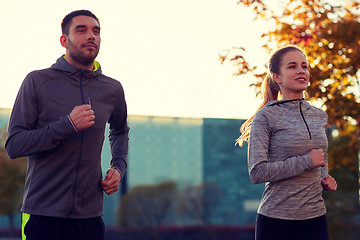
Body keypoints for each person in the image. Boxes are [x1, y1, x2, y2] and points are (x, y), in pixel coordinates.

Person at [5, 10, 129, 240]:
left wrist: (118, 167)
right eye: (81, 30)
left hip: (90, 219)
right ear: (64, 40)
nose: (91, 36)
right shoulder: (38, 81)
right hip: (42, 216)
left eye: (96, 31)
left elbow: (120, 129)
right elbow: (14, 145)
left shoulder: (111, 89)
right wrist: (67, 125)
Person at [236, 45, 337, 240]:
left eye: (304, 66)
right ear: (277, 77)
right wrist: (307, 161)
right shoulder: (265, 117)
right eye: (292, 66)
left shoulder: (319, 116)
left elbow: (320, 159)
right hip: (276, 222)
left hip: (315, 219)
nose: (301, 71)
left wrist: (325, 177)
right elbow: (257, 172)